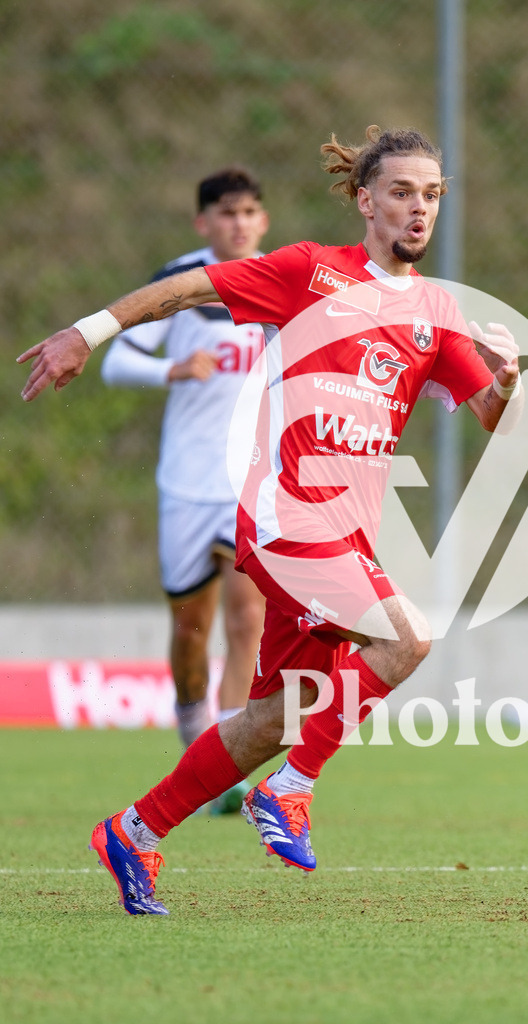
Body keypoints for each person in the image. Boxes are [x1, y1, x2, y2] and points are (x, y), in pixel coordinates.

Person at [18, 125, 523, 915]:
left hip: (345, 533)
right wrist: (89, 334)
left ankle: (133, 831)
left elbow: (488, 413)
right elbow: (187, 291)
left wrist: (510, 383)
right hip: (289, 518)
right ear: (364, 200)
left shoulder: (434, 309)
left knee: (273, 716)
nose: (417, 208)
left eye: (430, 194)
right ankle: (288, 791)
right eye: (399, 192)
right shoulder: (309, 271)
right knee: (406, 638)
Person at [101, 168, 269, 814]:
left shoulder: (279, 280)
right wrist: (170, 367)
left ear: (264, 221)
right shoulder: (179, 282)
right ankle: (192, 730)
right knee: (189, 630)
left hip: (247, 482)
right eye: (227, 213)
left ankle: (223, 764)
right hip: (184, 484)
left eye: (250, 212)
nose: (239, 223)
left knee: (245, 616)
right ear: (204, 223)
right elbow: (117, 360)